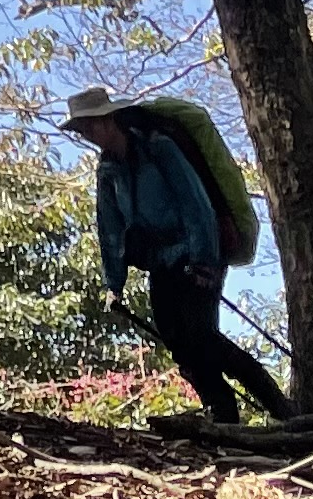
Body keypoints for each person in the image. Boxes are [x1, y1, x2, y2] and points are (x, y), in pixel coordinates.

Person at [62, 86, 289, 426]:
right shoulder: (109, 169)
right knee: (177, 340)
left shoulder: (159, 148)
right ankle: (222, 413)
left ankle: (279, 407)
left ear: (110, 119)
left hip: (198, 251)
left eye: (90, 126)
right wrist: (115, 283)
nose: (88, 135)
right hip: (159, 260)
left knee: (201, 336)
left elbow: (195, 206)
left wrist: (202, 261)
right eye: (82, 130)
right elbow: (109, 226)